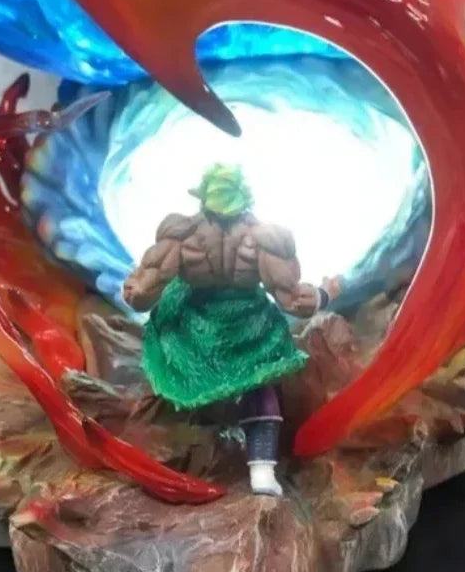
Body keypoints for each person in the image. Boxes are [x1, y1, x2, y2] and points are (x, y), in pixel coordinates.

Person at [123, 164, 335, 496]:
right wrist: (324, 294)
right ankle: (261, 471)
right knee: (258, 385)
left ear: (202, 196)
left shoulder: (183, 233)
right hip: (245, 326)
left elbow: (143, 293)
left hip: (197, 328)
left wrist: (134, 289)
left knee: (181, 374)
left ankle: (180, 457)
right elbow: (293, 301)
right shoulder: (263, 238)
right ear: (245, 197)